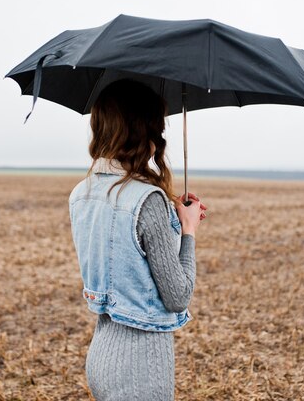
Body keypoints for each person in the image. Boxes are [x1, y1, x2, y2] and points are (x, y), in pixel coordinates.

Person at [69, 79, 208, 400]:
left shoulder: (81, 194)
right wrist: (188, 231)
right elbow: (177, 296)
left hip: (101, 354)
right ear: (145, 131)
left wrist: (166, 216)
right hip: (140, 365)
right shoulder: (147, 200)